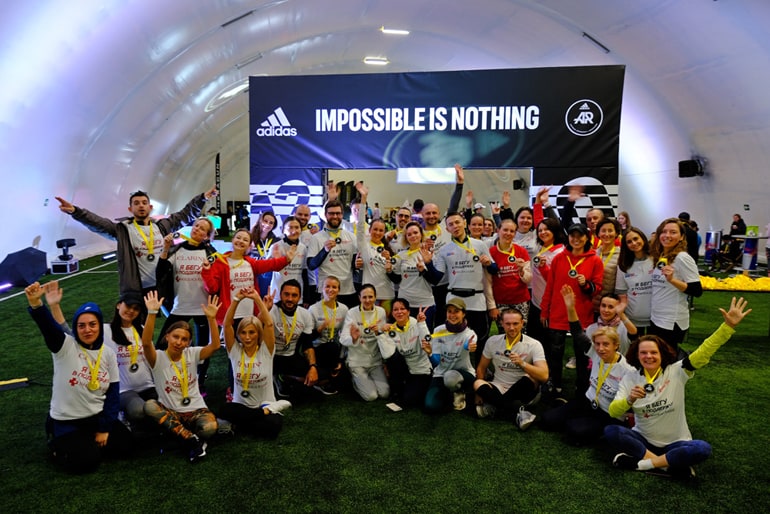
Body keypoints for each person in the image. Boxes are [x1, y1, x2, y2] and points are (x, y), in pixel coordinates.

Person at [605, 297, 751, 479]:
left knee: (702, 448)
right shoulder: (630, 377)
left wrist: (727, 327)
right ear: (637, 355)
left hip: (675, 443)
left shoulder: (677, 370)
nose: (648, 356)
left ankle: (643, 464)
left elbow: (704, 351)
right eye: (643, 352)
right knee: (612, 431)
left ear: (662, 354)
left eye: (653, 352)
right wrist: (630, 399)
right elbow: (613, 411)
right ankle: (667, 466)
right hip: (644, 441)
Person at [25, 282, 131, 473]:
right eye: (81, 326)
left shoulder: (107, 353)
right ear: (75, 327)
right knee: (86, 462)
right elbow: (48, 327)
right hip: (68, 421)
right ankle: (57, 444)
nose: (87, 330)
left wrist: (104, 428)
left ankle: (85, 443)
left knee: (127, 445)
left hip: (95, 417)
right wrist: (37, 305)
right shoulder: (64, 346)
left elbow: (113, 394)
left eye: (92, 324)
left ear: (100, 326)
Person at [55, 188, 217, 301]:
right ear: (130, 208)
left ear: (150, 207)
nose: (141, 205)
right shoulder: (123, 229)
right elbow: (99, 224)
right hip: (137, 290)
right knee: (139, 329)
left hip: (163, 285)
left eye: (144, 202)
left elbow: (185, 214)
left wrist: (202, 198)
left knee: (171, 326)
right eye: (136, 203)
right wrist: (76, 211)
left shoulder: (162, 226)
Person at [540, 285, 635, 445]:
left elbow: (635, 335)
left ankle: (588, 427)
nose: (601, 349)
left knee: (574, 431)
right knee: (547, 420)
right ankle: (575, 418)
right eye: (597, 344)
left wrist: (622, 314)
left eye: (606, 344)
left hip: (607, 412)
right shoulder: (595, 351)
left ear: (616, 345)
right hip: (589, 401)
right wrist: (570, 307)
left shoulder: (627, 370)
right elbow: (577, 333)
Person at [141, 292, 221, 463]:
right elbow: (146, 343)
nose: (179, 342)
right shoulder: (157, 358)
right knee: (150, 406)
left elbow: (215, 345)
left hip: (196, 411)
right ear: (167, 337)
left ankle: (180, 437)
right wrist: (152, 313)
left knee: (210, 427)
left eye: (184, 339)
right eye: (175, 337)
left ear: (189, 343)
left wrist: (212, 319)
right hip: (172, 413)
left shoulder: (192, 353)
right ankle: (191, 439)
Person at [155, 217, 218, 391]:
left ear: (207, 236)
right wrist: (165, 248)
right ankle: (163, 377)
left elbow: (216, 281)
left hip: (203, 308)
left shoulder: (210, 253)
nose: (197, 229)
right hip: (180, 306)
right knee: (161, 345)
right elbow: (160, 272)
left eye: (202, 229)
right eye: (196, 225)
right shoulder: (178, 249)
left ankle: (199, 382)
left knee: (203, 350)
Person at [218, 287, 290, 439]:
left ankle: (242, 423)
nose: (247, 337)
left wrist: (257, 299)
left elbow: (268, 324)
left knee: (273, 427)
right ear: (238, 334)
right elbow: (227, 325)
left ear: (258, 333)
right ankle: (261, 414)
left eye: (252, 332)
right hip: (241, 406)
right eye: (243, 333)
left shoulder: (266, 350)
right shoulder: (234, 351)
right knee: (223, 410)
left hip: (265, 402)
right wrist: (236, 300)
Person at [540, 223, 604, 394]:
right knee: (555, 353)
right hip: (558, 313)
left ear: (587, 238)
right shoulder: (559, 258)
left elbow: (598, 288)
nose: (576, 239)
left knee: (582, 354)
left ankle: (582, 386)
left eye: (580, 236)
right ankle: (555, 383)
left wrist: (586, 284)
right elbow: (550, 286)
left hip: (581, 314)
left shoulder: (595, 260)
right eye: (572, 236)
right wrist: (545, 310)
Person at [427, 211, 498, 361]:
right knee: (454, 338)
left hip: (476, 299)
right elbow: (436, 278)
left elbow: (494, 270)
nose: (455, 226)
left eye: (457, 222)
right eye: (451, 224)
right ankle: (455, 366)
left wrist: (489, 263)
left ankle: (480, 369)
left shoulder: (480, 245)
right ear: (447, 229)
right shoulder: (444, 250)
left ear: (464, 223)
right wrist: (428, 263)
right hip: (455, 299)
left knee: (480, 337)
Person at [473, 308, 548, 430]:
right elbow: (481, 368)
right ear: (501, 323)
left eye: (515, 323)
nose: (512, 328)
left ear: (522, 323)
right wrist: (478, 394)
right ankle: (517, 413)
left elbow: (544, 376)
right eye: (508, 324)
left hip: (523, 389)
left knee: (531, 377)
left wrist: (522, 364)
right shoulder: (492, 341)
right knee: (477, 383)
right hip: (499, 386)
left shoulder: (534, 344)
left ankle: (494, 407)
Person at [202, 227, 292, 326]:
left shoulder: (251, 263)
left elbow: (270, 264)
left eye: (245, 240)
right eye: (238, 238)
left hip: (249, 314)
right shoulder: (221, 262)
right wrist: (206, 271)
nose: (241, 241)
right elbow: (212, 288)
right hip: (229, 315)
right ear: (232, 240)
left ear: (249, 245)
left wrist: (287, 259)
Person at [103, 291, 158, 426]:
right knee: (138, 410)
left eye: (136, 309)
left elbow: (152, 357)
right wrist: (55, 307)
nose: (131, 311)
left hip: (148, 385)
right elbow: (74, 334)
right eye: (128, 306)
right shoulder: (105, 331)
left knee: (162, 407)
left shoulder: (142, 329)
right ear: (118, 305)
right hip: (124, 390)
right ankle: (123, 415)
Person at [648, 218, 703, 352]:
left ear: (681, 237)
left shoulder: (682, 258)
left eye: (673, 232)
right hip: (656, 317)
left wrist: (672, 280)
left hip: (671, 321)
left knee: (666, 359)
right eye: (664, 232)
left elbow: (697, 290)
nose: (667, 235)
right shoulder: (662, 255)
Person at [423, 298, 478, 413]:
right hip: (441, 374)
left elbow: (469, 344)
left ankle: (460, 390)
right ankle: (450, 394)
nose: (452, 315)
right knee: (430, 406)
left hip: (464, 374)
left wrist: (469, 346)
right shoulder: (438, 330)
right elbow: (437, 362)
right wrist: (430, 353)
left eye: (456, 311)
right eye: (449, 311)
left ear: (463, 314)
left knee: (450, 378)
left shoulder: (470, 334)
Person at [376, 299, 432, 409]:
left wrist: (422, 323)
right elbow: (387, 355)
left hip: (421, 370)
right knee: (393, 358)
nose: (399, 312)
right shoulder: (390, 329)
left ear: (408, 311)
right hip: (406, 370)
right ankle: (399, 389)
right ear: (392, 313)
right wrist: (381, 334)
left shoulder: (416, 324)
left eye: (402, 309)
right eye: (395, 310)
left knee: (410, 400)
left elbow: (427, 342)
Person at [339, 284, 390, 401]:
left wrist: (379, 332)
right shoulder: (352, 313)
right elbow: (343, 339)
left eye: (370, 297)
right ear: (359, 298)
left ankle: (367, 381)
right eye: (364, 297)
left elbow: (383, 337)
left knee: (385, 394)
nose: (367, 300)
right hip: (357, 360)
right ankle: (354, 379)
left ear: (375, 297)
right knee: (371, 396)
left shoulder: (381, 312)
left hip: (375, 361)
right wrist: (354, 338)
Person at [355, 183, 398, 316]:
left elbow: (395, 274)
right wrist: (364, 199)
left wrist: (389, 261)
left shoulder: (389, 250)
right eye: (375, 229)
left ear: (384, 232)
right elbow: (360, 225)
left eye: (381, 230)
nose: (378, 233)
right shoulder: (364, 245)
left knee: (384, 326)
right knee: (368, 325)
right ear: (369, 230)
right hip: (369, 296)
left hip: (387, 295)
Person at [270, 280, 318, 399]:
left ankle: (283, 376)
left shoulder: (305, 314)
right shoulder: (270, 310)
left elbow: (307, 344)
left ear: (299, 297)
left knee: (316, 379)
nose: (290, 299)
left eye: (294, 295)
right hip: (270, 357)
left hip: (290, 356)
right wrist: (264, 311)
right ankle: (274, 375)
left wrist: (313, 367)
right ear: (280, 295)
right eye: (286, 294)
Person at [528, 217, 566, 363]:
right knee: (535, 339)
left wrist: (543, 268)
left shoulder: (560, 253)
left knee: (548, 344)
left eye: (547, 229)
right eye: (540, 230)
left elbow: (556, 282)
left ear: (555, 231)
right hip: (536, 302)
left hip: (550, 306)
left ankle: (549, 372)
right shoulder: (541, 247)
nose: (543, 232)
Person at [307, 200, 358, 308]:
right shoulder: (316, 238)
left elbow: (354, 264)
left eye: (338, 213)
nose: (335, 216)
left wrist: (358, 264)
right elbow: (311, 265)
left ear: (342, 215)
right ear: (325, 215)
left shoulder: (351, 236)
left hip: (347, 290)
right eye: (331, 213)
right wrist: (324, 251)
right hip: (326, 291)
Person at [390, 221, 437, 329]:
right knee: (407, 334)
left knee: (424, 335)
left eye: (415, 232)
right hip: (405, 304)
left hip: (424, 303)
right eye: (409, 234)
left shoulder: (429, 254)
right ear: (406, 238)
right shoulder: (400, 256)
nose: (413, 236)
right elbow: (396, 280)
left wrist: (423, 270)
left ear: (421, 234)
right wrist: (389, 271)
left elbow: (434, 280)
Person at [308, 276, 349, 395]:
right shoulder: (313, 309)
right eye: (327, 286)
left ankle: (330, 374)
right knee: (330, 347)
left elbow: (344, 336)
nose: (330, 290)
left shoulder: (344, 309)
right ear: (322, 288)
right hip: (318, 349)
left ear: (339, 290)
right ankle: (323, 381)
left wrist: (340, 359)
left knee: (346, 382)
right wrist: (320, 329)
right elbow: (308, 339)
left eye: (334, 287)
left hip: (335, 350)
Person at [487, 218, 531, 328]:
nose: (508, 233)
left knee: (520, 332)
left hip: (520, 300)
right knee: (504, 332)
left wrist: (522, 271)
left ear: (515, 233)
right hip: (500, 301)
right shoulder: (490, 252)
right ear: (498, 230)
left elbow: (528, 279)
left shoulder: (521, 251)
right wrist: (492, 306)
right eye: (505, 230)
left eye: (512, 231)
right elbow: (487, 282)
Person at [616, 227, 653, 331]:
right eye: (629, 242)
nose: (634, 243)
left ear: (643, 238)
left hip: (656, 316)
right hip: (633, 317)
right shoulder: (623, 264)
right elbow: (621, 292)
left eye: (636, 239)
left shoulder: (656, 259)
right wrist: (622, 306)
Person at [269, 216, 309, 299]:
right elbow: (265, 273)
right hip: (277, 294)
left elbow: (304, 273)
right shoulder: (276, 247)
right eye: (290, 228)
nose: (294, 231)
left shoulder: (303, 248)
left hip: (296, 295)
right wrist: (275, 261)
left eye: (297, 227)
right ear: (283, 230)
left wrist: (306, 296)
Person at [594, 218, 622, 312]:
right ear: (598, 233)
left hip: (610, 306)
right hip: (592, 302)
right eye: (603, 231)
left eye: (610, 231)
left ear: (616, 233)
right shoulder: (593, 254)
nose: (606, 234)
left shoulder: (621, 255)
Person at [250, 210, 281, 295]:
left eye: (271, 223)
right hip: (252, 275)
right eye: (265, 221)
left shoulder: (276, 241)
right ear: (260, 221)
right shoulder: (250, 238)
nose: (267, 224)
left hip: (268, 277)